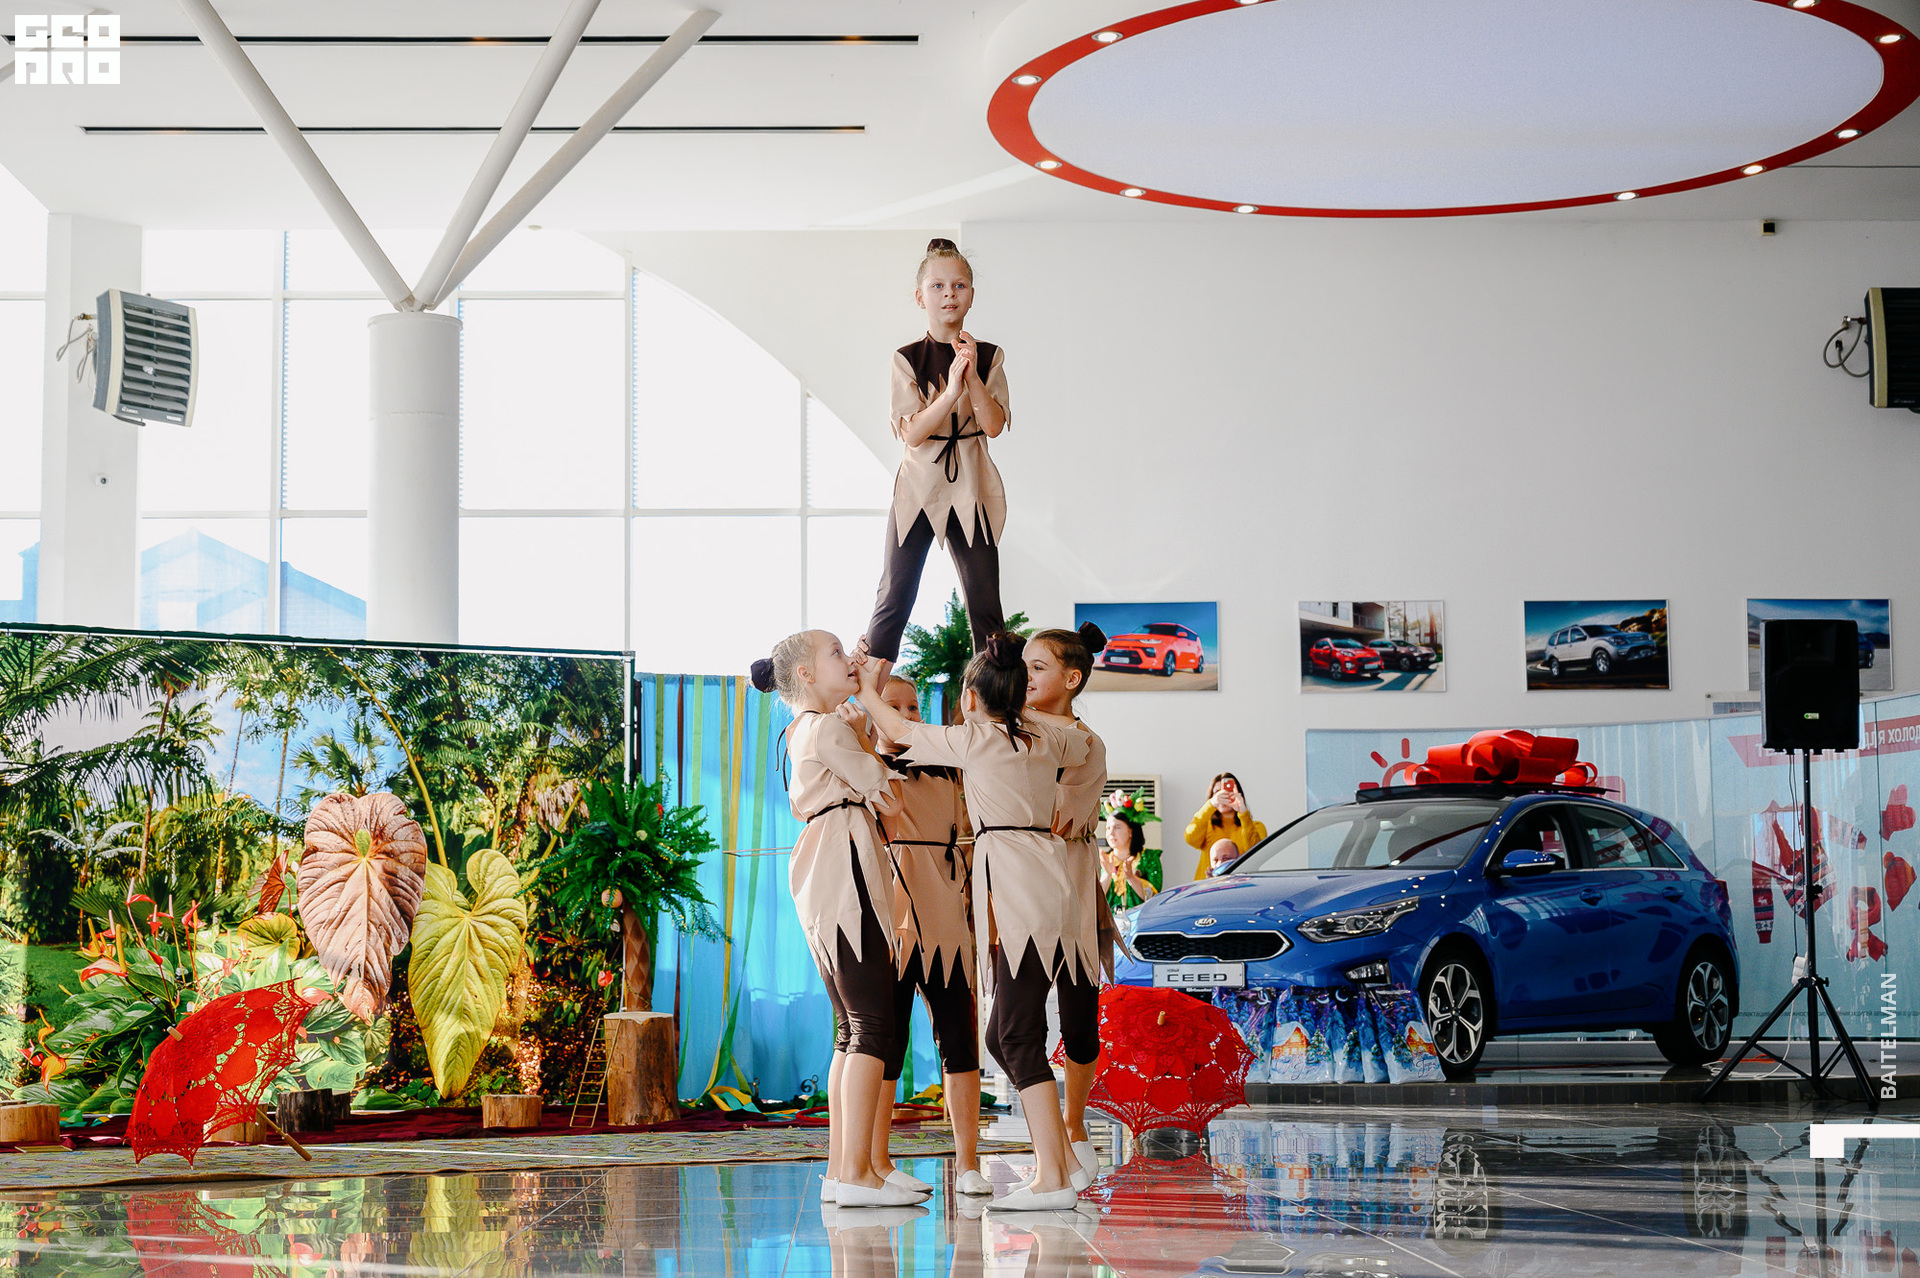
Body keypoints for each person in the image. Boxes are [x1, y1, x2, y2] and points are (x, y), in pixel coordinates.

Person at [857, 635, 1098, 1211]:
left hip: (1020, 891)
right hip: (1048, 885)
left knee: (1014, 1035)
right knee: (1002, 1035)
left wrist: (865, 688)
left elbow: (897, 728)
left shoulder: (975, 740)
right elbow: (1084, 741)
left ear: (969, 698)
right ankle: (1061, 1164)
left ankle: (1053, 1177)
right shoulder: (1049, 737)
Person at [749, 632, 925, 1209]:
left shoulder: (802, 729)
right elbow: (892, 800)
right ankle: (855, 1174)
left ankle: (845, 1171)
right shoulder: (827, 728)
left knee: (852, 1027)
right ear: (804, 674)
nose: (847, 659)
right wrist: (867, 735)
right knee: (872, 1023)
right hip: (842, 865)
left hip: (824, 864)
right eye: (834, 653)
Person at [861, 675, 991, 1197]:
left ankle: (968, 1164)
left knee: (960, 1041)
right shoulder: (862, 765)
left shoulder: (950, 769)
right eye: (893, 705)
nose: (906, 714)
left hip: (946, 922)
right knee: (883, 1046)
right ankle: (877, 1162)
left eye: (913, 706)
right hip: (888, 925)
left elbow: (971, 839)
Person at [863, 238, 1010, 664]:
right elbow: (913, 433)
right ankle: (869, 694)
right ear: (920, 296)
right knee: (895, 596)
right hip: (919, 488)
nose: (949, 295)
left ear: (972, 295)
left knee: (986, 603)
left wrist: (972, 376)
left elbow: (993, 425)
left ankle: (992, 701)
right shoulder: (906, 358)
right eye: (938, 286)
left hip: (972, 487)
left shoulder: (990, 356)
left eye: (959, 286)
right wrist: (949, 392)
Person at [1023, 623, 1108, 1188]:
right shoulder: (1008, 729)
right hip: (1018, 889)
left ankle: (1075, 1124)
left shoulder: (1087, 743)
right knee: (1018, 1019)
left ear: (1072, 679)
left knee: (1079, 1019)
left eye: (1038, 667)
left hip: (1073, 884)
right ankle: (1051, 1140)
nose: (1025, 677)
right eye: (1022, 667)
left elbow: (1057, 816)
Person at [1184, 772, 1266, 880]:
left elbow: (1256, 854)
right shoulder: (1206, 826)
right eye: (1217, 792)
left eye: (1228, 791)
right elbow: (1190, 838)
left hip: (1241, 886)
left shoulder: (1255, 827)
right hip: (1207, 886)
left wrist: (1243, 812)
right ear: (1212, 796)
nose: (1223, 795)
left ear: (1238, 794)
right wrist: (1210, 805)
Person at [1103, 798, 1163, 909]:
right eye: (1108, 828)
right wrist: (1107, 875)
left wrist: (1131, 878)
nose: (1110, 833)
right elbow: (1092, 901)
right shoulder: (1103, 861)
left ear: (1131, 831)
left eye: (1117, 827)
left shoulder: (1149, 857)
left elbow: (1154, 897)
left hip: (1141, 918)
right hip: (1110, 919)